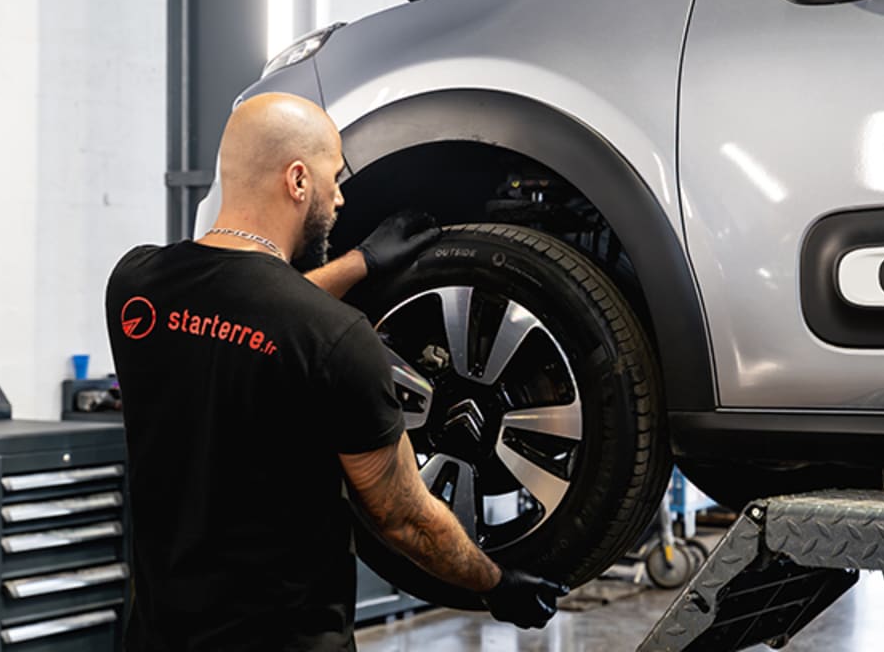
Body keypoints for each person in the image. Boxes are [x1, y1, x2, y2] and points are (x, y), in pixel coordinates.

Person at [105, 92, 567, 651]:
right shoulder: (340, 339)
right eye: (335, 176)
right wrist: (495, 583)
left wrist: (358, 264)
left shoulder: (136, 286)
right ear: (298, 180)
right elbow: (405, 519)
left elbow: (252, 312)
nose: (341, 196)